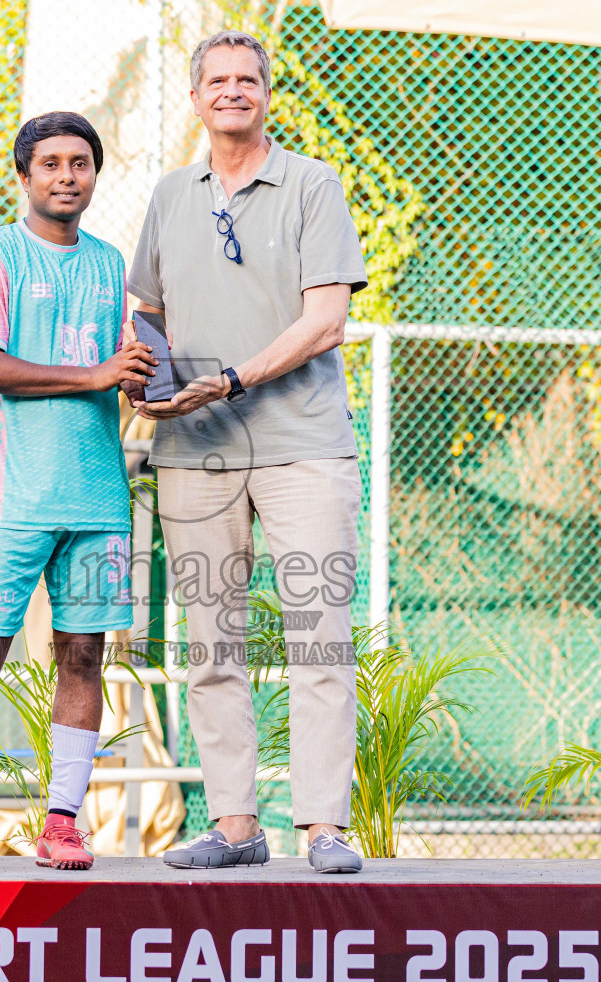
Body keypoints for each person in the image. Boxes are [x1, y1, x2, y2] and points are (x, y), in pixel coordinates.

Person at [125, 31, 368, 873]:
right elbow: (147, 308)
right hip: (195, 452)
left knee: (318, 638)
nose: (233, 91)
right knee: (210, 645)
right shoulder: (169, 195)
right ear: (196, 99)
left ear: (266, 94)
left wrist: (227, 380)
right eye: (217, 81)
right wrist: (142, 372)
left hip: (305, 448)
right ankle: (235, 828)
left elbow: (326, 320)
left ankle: (323, 829)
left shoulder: (311, 184)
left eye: (247, 79)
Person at [0, 111, 158, 872]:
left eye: (81, 163)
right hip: (11, 498)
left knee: (84, 658)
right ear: (24, 176)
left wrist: (144, 375)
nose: (67, 175)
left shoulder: (109, 263)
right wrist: (96, 375)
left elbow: (127, 367)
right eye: (52, 163)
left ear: (95, 175)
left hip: (97, 501)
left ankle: (62, 821)